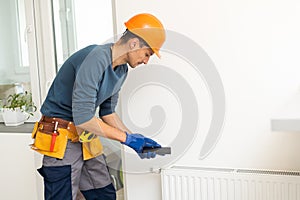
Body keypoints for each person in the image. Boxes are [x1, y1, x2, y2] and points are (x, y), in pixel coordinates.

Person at [30, 13, 166, 200]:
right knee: (62, 196)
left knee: (104, 194)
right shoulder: (95, 58)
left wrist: (134, 138)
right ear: (134, 43)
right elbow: (84, 117)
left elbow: (107, 112)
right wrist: (126, 138)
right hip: (61, 135)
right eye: (147, 54)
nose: (146, 60)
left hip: (85, 137)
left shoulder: (121, 70)